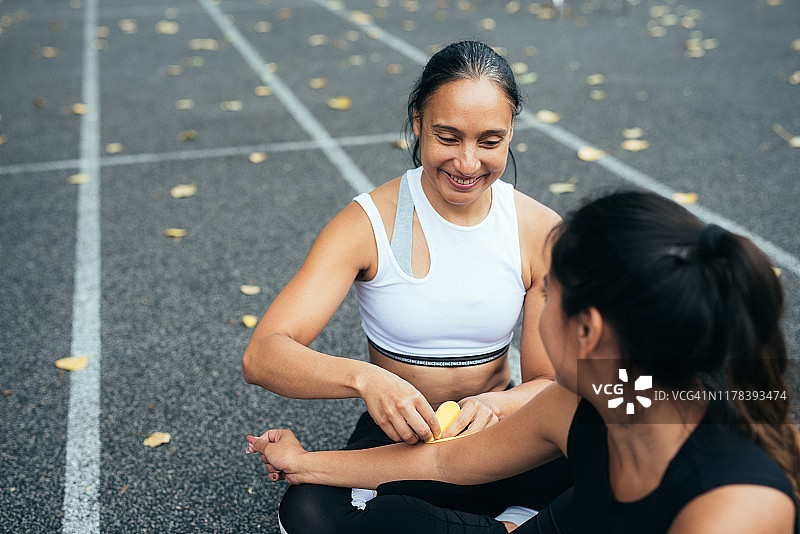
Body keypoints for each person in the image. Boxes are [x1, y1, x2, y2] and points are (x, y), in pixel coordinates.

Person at [249, 190, 800, 534]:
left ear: (586, 329)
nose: (534, 303)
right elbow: (443, 464)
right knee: (313, 509)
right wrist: (304, 464)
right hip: (563, 519)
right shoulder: (593, 397)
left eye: (548, 289)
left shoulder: (733, 509)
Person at [242, 41, 571, 531]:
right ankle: (516, 525)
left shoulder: (538, 230)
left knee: (625, 450)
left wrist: (495, 404)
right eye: (447, 137)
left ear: (510, 132)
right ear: (417, 121)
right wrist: (367, 379)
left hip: (502, 435)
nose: (466, 163)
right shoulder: (366, 224)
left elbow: (549, 383)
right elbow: (263, 356)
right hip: (401, 444)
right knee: (309, 515)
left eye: (489, 141)